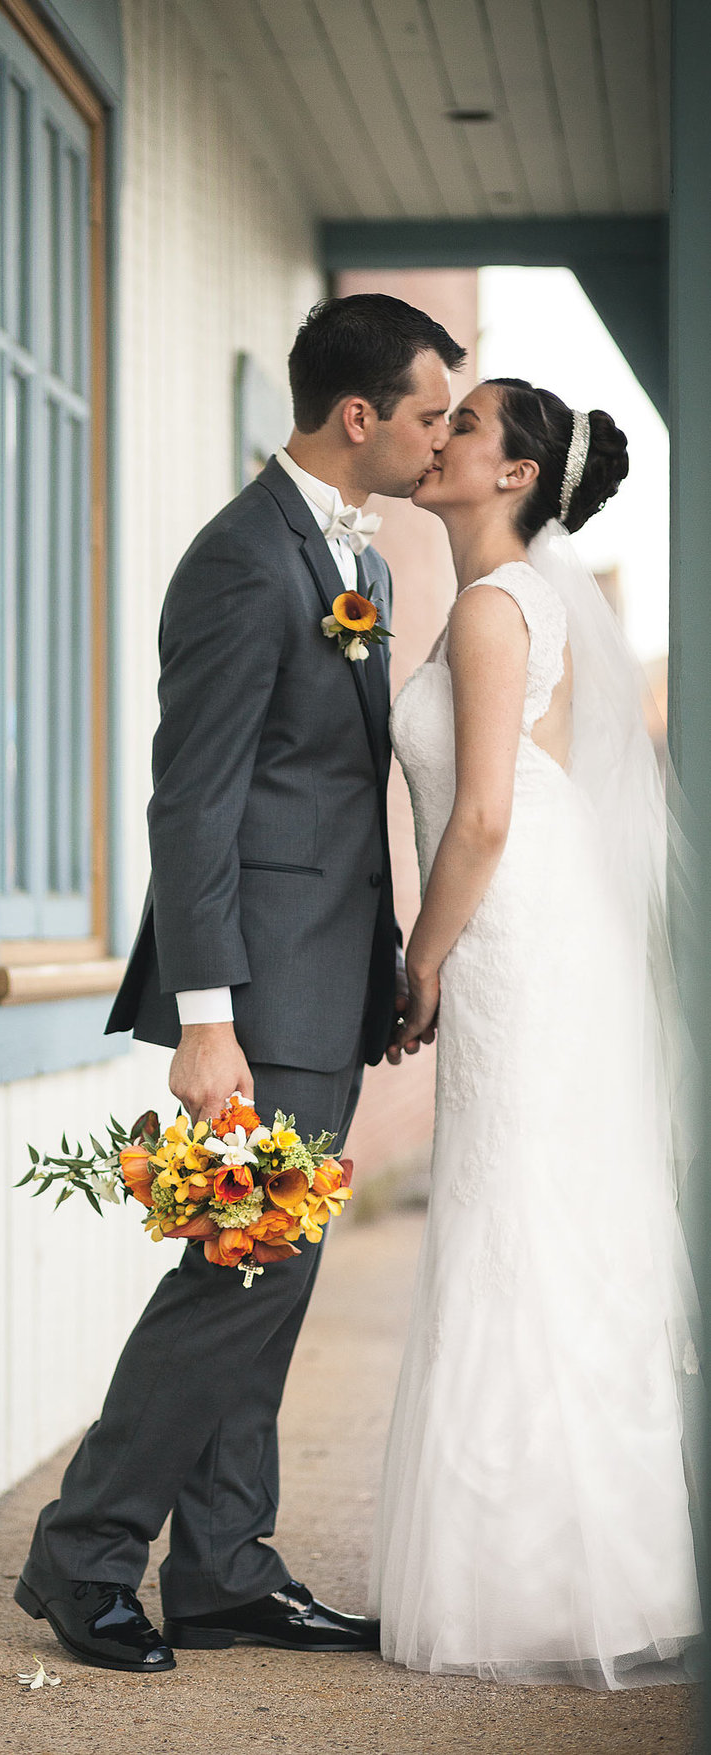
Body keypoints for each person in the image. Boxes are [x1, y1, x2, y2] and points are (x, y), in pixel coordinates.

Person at [14, 293, 465, 1672]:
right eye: (429, 414)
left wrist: (385, 958)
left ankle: (223, 1569)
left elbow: (327, 793)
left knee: (272, 1286)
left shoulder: (359, 564)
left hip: (327, 987)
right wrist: (204, 1024)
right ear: (358, 417)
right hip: (253, 1001)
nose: (438, 439)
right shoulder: (237, 561)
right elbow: (192, 806)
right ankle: (81, 1556)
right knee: (233, 1281)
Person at [375, 376, 702, 1688]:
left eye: (464, 425)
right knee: (527, 1216)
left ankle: (535, 1591)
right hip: (524, 924)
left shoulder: (497, 605)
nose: (437, 433)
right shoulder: (506, 599)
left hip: (512, 924)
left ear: (511, 474)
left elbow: (486, 815)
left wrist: (421, 957)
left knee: (519, 1219)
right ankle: (569, 1574)